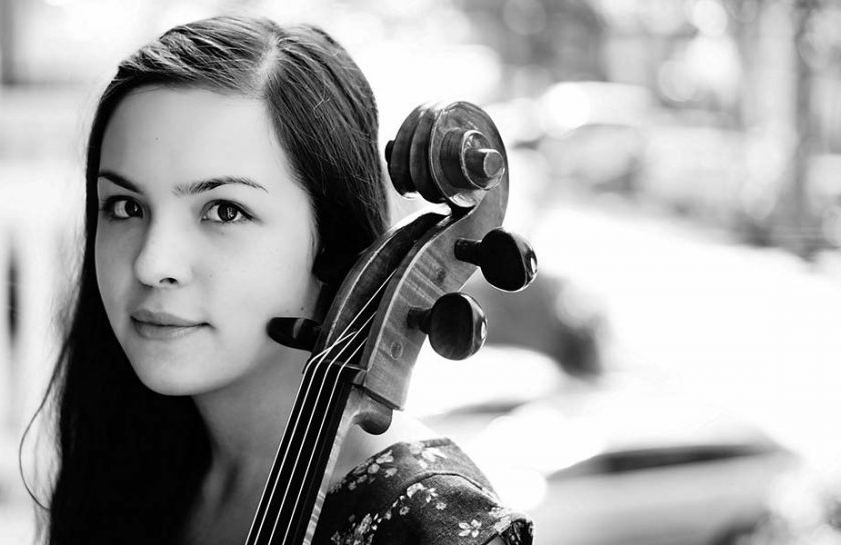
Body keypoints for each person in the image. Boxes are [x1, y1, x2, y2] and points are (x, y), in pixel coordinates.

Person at [31, 14, 533, 545]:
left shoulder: (428, 527)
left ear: (331, 239)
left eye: (224, 211)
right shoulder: (136, 462)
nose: (152, 264)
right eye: (126, 206)